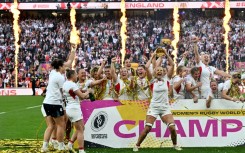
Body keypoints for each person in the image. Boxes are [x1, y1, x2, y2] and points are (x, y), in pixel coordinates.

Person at [133, 50, 181, 151]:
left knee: (172, 128)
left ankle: (175, 145)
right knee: (147, 128)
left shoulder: (167, 80)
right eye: (157, 70)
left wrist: (166, 54)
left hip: (165, 107)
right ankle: (137, 145)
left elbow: (172, 64)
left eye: (161, 70)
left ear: (164, 72)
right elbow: (146, 67)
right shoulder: (151, 81)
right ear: (154, 72)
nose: (159, 71)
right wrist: (153, 56)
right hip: (154, 107)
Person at [41, 45, 76, 152]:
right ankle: (61, 145)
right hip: (55, 103)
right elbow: (63, 91)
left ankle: (45, 147)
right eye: (64, 66)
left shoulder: (53, 72)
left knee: (51, 126)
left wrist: (73, 50)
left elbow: (69, 62)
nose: (66, 67)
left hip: (46, 102)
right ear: (60, 67)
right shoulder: (60, 77)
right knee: (61, 124)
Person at [63, 69, 92, 153]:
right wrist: (88, 91)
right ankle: (81, 150)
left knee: (81, 128)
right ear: (72, 76)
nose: (77, 76)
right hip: (74, 108)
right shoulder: (73, 84)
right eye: (76, 75)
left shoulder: (65, 84)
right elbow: (82, 96)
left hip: (69, 108)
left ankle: (70, 144)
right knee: (80, 130)